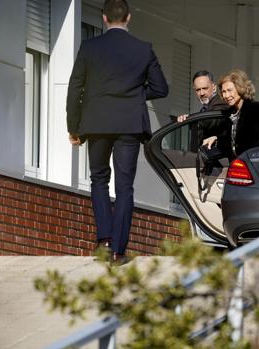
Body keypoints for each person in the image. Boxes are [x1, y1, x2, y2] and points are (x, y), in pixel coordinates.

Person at [66, 0, 168, 265]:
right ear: (129, 17)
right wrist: (135, 96)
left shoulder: (89, 47)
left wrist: (73, 127)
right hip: (129, 125)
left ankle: (104, 239)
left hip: (97, 123)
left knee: (98, 178)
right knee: (124, 187)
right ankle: (118, 251)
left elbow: (75, 88)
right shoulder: (143, 49)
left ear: (103, 18)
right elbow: (161, 88)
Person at [203, 69, 259, 158]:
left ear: (240, 88)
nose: (226, 95)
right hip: (236, 166)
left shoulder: (258, 109)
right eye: (224, 92)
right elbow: (231, 142)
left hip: (254, 164)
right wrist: (216, 138)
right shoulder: (229, 114)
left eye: (230, 90)